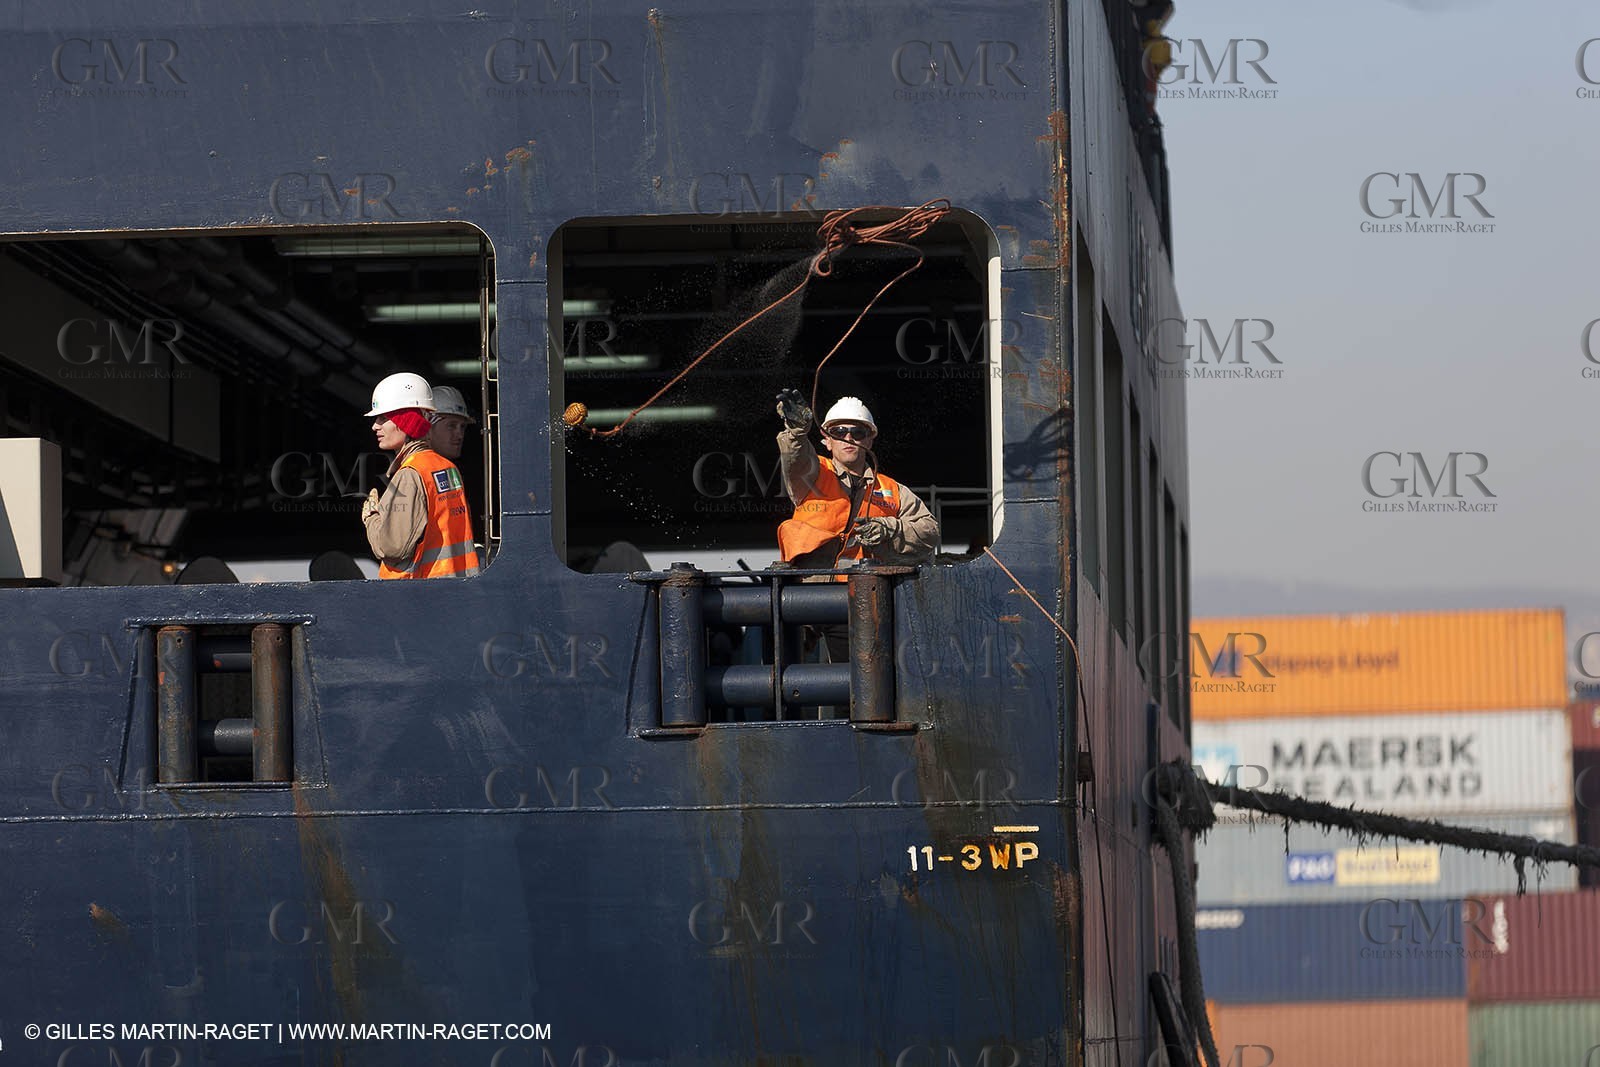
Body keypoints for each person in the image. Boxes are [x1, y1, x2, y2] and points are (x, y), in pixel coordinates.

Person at [774, 390, 938, 665]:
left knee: (847, 685)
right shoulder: (813, 473)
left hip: (853, 599)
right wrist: (796, 432)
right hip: (802, 593)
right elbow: (796, 458)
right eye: (839, 432)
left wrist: (890, 529)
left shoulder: (892, 490)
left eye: (857, 432)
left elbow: (929, 531)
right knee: (784, 682)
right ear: (826, 439)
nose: (848, 438)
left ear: (870, 439)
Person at [360, 372, 480, 579]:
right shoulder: (446, 467)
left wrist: (372, 518)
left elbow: (393, 548)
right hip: (455, 592)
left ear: (405, 421)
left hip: (418, 598)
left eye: (383, 418)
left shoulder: (410, 473)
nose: (375, 426)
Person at [426, 384, 476, 462]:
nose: (460, 436)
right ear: (428, 429)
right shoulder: (415, 469)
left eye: (462, 426)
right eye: (451, 426)